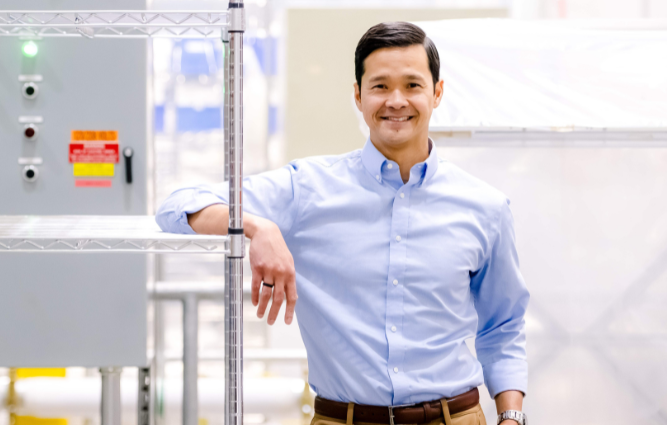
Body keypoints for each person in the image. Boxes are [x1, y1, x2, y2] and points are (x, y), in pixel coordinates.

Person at [156, 22, 529, 425]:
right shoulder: (308, 190)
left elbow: (503, 326)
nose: (396, 101)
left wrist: (510, 416)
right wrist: (258, 227)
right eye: (380, 86)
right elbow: (177, 207)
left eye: (413, 85)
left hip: (454, 417)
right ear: (358, 95)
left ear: (437, 93)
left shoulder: (484, 207)